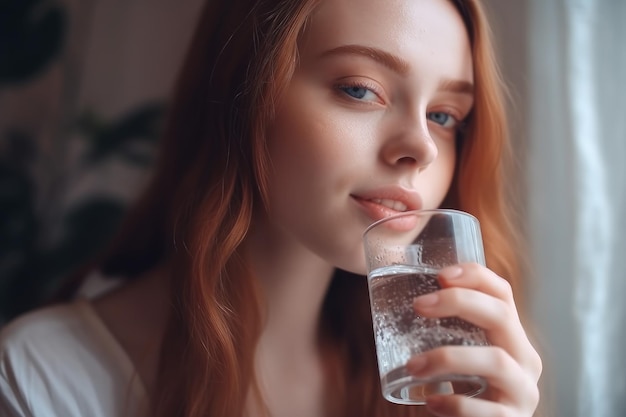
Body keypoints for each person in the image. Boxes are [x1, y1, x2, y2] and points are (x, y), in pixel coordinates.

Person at [0, 0, 542, 416]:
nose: (421, 147)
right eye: (360, 89)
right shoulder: (43, 377)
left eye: (445, 116)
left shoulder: (427, 382)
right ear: (245, 90)